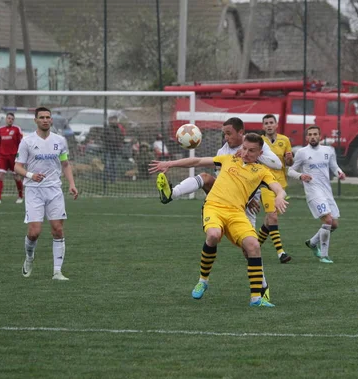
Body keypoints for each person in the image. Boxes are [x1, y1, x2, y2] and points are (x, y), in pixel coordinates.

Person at [148, 133, 288, 307]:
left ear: (260, 154)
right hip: (214, 207)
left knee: (253, 246)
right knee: (213, 234)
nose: (245, 153)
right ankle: (203, 281)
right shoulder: (228, 159)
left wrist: (280, 197)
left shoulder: (262, 171)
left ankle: (256, 299)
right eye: (244, 148)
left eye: (251, 151)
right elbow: (197, 161)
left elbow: (278, 188)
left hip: (237, 213)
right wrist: (169, 163)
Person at [13, 107, 79, 281]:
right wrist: (30, 175)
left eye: (47, 117)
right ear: (35, 120)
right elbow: (17, 166)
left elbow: (65, 164)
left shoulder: (60, 140)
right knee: (34, 232)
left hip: (54, 190)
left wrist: (72, 184)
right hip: (34, 190)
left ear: (51, 120)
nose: (45, 120)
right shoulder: (27, 141)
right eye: (41, 117)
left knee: (58, 229)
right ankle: (29, 257)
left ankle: (57, 271)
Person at [288, 125, 346, 263]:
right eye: (310, 134)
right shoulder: (302, 152)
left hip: (327, 191)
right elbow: (290, 171)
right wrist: (301, 176)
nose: (313, 136)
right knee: (328, 220)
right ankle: (324, 255)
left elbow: (334, 166)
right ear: (306, 137)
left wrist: (340, 173)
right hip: (313, 192)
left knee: (334, 224)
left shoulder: (328, 150)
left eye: (315, 134)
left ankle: (313, 243)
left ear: (320, 136)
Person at [257, 114, 293, 264]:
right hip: (265, 184)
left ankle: (252, 248)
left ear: (276, 124)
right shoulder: (259, 141)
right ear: (263, 126)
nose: (269, 125)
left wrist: (290, 159)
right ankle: (281, 253)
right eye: (266, 123)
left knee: (268, 220)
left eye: (271, 122)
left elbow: (289, 162)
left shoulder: (284, 140)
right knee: (273, 217)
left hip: (280, 186)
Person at [0, 112, 24, 204]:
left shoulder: (16, 129)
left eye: (12, 119)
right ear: (6, 119)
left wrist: (20, 156)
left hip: (14, 157)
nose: (10, 120)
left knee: (16, 176)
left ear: (13, 120)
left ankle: (20, 196)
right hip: (2, 156)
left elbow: (20, 143)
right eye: (9, 118)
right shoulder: (0, 130)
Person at [102, 115, 123, 183]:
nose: (115, 121)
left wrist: (119, 143)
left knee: (114, 164)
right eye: (113, 120)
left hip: (115, 149)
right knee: (107, 164)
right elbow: (102, 137)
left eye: (115, 120)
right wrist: (108, 142)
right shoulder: (107, 128)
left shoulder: (118, 129)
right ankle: (106, 178)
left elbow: (121, 137)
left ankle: (113, 179)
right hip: (108, 148)